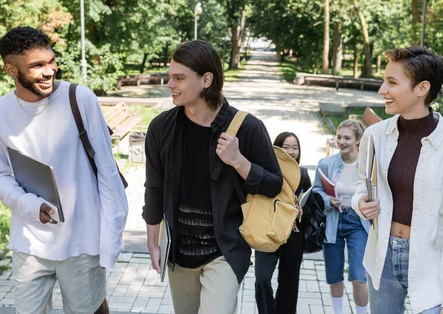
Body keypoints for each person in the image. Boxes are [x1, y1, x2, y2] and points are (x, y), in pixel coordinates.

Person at [0, 26, 128, 314]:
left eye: (51, 61)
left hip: (82, 242)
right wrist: (28, 204)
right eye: (37, 65)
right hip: (29, 242)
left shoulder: (79, 99)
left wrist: (111, 240)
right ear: (11, 70)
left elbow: (107, 172)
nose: (49, 71)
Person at [143, 40, 283, 314]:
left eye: (179, 78)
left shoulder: (247, 127)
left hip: (225, 250)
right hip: (179, 252)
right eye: (170, 76)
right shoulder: (161, 127)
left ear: (206, 79)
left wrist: (239, 162)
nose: (170, 84)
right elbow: (154, 187)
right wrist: (152, 237)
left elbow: (275, 185)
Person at [352, 46, 443, 314]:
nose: (382, 90)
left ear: (421, 88)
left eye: (392, 82)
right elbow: (361, 184)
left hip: (433, 267)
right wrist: (361, 202)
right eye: (384, 81)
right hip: (382, 258)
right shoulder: (375, 136)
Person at [314, 120, 370, 314]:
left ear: (357, 141)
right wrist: (328, 200)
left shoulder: (367, 165)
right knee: (334, 274)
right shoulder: (326, 164)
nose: (342, 142)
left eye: (347, 138)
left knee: (358, 275)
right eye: (339, 137)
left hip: (358, 222)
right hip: (333, 220)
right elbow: (316, 191)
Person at [254, 132, 312, 314]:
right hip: (267, 234)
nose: (291, 151)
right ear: (276, 149)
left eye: (295, 147)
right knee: (262, 279)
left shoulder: (302, 175)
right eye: (286, 147)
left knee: (289, 284)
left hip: (293, 236)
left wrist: (303, 210)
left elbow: (311, 209)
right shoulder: (265, 174)